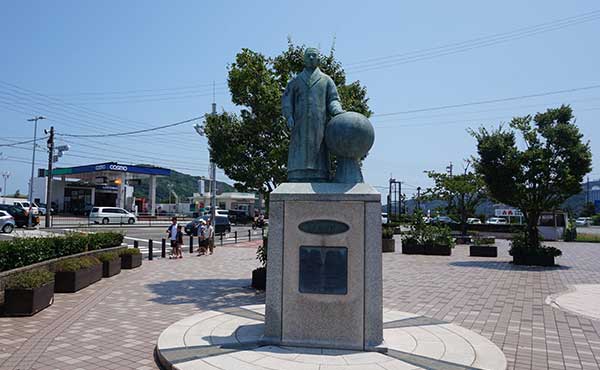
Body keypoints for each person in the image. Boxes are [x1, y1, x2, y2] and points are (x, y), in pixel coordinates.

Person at [281, 47, 345, 182]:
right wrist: (289, 116)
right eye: (308, 56)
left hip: (319, 125)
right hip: (299, 124)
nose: (311, 58)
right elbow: (287, 100)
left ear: (318, 59)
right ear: (304, 59)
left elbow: (333, 99)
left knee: (319, 150)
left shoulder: (326, 80)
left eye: (314, 56)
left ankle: (320, 174)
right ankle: (296, 173)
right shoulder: (295, 81)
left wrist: (337, 111)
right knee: (299, 152)